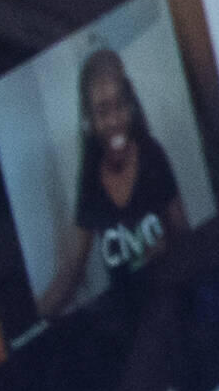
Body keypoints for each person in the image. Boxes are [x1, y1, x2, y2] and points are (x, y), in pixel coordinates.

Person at [36, 41, 190, 319]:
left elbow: (185, 237)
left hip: (172, 301)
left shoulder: (152, 154)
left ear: (131, 105)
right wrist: (32, 319)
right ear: (90, 120)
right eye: (102, 111)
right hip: (130, 317)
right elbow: (71, 272)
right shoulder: (90, 180)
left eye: (120, 106)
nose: (115, 120)